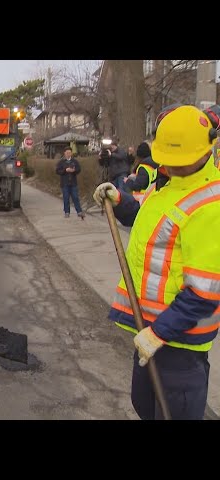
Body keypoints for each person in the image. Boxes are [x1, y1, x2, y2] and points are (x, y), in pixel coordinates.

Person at [92, 104, 220, 420]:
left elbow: (204, 292)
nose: (171, 168)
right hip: (149, 331)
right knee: (144, 406)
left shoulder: (210, 205)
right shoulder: (169, 186)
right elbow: (143, 218)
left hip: (180, 345)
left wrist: (159, 333)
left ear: (205, 152)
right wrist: (119, 201)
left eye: (180, 163)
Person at [55, 146, 85, 219]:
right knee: (66, 198)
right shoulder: (61, 162)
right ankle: (67, 212)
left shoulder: (74, 161)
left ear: (71, 153)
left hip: (73, 182)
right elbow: (57, 171)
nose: (68, 154)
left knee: (75, 197)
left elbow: (79, 169)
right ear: (64, 153)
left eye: (69, 153)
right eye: (67, 153)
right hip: (65, 183)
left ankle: (79, 211)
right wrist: (65, 170)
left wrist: (74, 171)